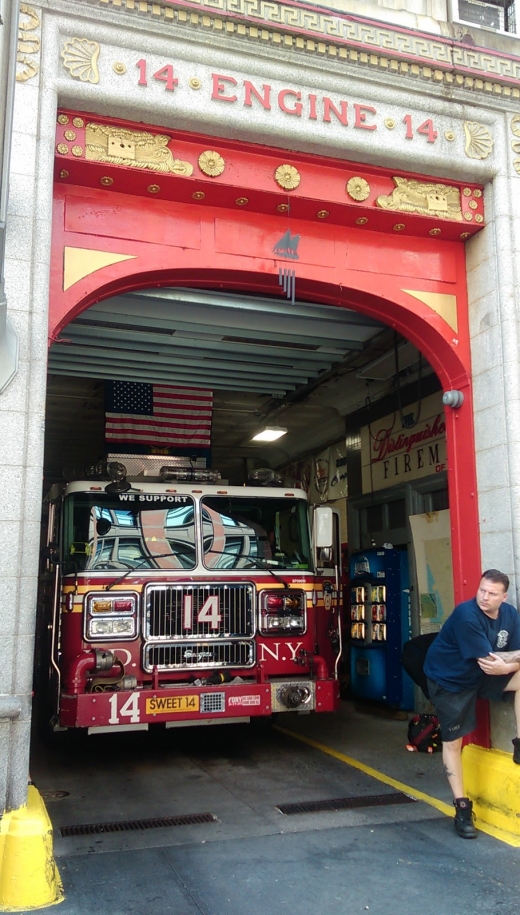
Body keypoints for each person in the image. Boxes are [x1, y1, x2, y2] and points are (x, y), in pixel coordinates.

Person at [423, 569, 520, 839]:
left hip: (480, 675)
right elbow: (490, 664)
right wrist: (508, 663)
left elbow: (511, 657)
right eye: (482, 590)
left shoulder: (510, 614)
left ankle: (519, 743)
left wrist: (509, 663)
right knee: (454, 742)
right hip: (450, 681)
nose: (484, 597)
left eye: (492, 593)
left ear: (504, 596)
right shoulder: (467, 615)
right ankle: (462, 808)